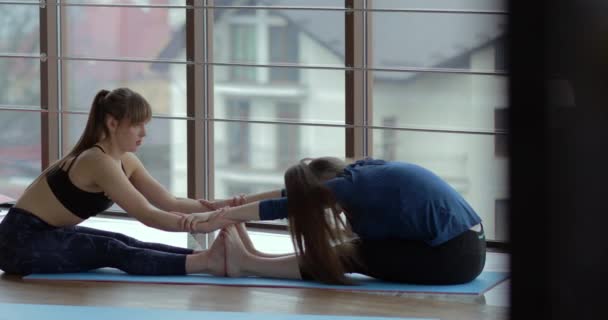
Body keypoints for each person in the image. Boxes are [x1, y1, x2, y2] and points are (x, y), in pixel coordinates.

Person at [0, 88, 229, 276]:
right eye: (137, 125)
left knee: (121, 239)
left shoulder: (126, 160)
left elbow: (171, 202)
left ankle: (205, 258)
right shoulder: (96, 160)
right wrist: (202, 224)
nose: (144, 133)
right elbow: (147, 214)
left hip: (46, 233)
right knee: (112, 249)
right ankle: (208, 263)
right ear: (112, 123)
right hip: (16, 244)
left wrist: (225, 209)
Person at [188, 157, 486, 285]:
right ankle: (255, 260)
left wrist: (221, 217)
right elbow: (289, 196)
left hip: (454, 257)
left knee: (347, 255)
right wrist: (233, 205)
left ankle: (247, 264)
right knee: (351, 248)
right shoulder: (364, 172)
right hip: (465, 247)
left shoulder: (352, 186)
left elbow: (285, 204)